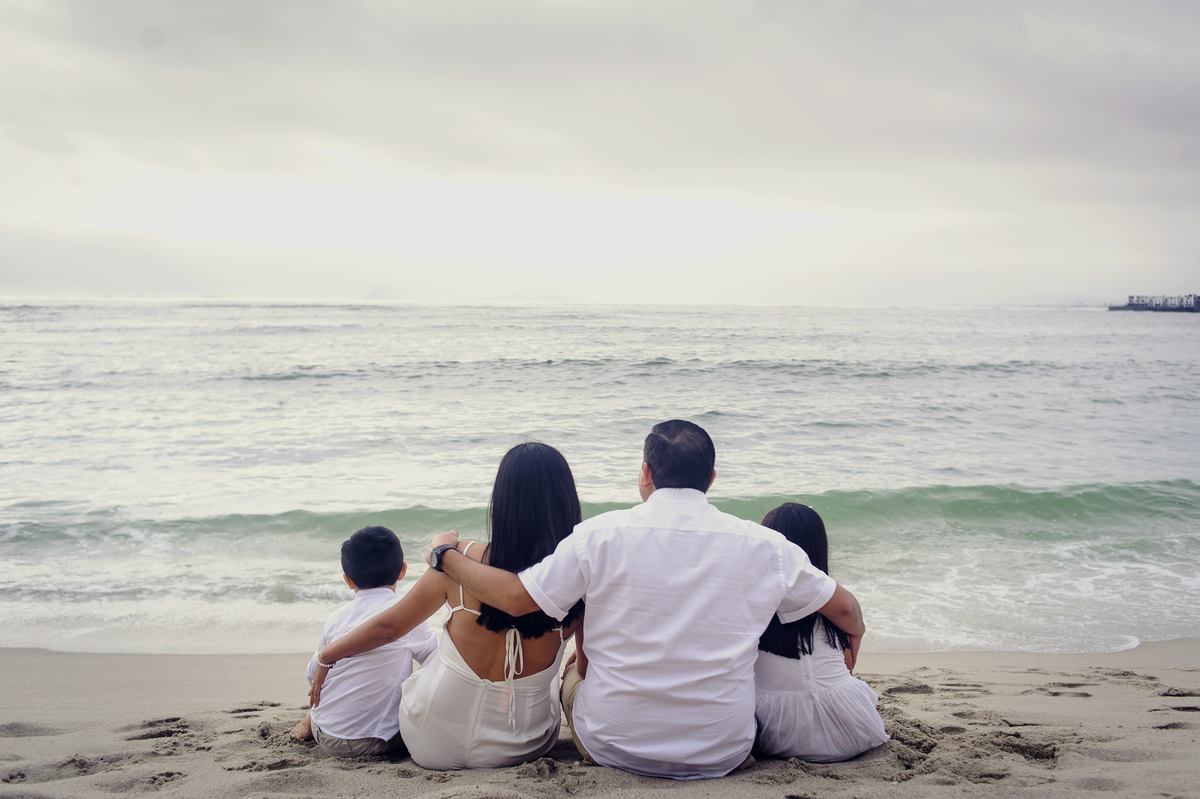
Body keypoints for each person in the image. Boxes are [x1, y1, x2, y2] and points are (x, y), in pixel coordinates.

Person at [426, 420, 866, 780]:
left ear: (645, 473)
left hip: (614, 746)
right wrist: (855, 640)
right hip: (722, 751)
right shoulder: (766, 546)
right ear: (711, 479)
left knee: (571, 678)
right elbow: (845, 609)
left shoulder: (598, 536)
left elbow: (519, 598)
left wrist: (445, 556)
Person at [309, 442, 584, 770]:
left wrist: (327, 655)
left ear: (501, 503)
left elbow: (388, 628)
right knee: (567, 675)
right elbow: (586, 664)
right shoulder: (581, 579)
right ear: (567, 502)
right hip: (522, 746)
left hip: (429, 741)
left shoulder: (457, 560)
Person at [754, 503, 889, 762]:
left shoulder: (756, 603)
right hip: (854, 730)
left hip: (780, 739)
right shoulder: (834, 606)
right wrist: (858, 632)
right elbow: (848, 667)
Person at [291, 525, 438, 758]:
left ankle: (310, 721)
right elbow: (434, 659)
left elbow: (313, 675)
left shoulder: (336, 619)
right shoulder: (407, 617)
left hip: (326, 733)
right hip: (373, 742)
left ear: (348, 580)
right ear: (402, 571)